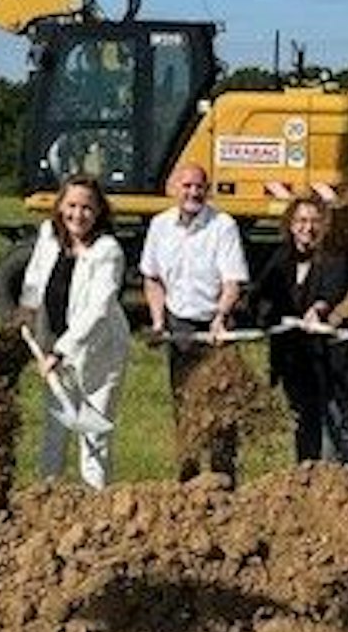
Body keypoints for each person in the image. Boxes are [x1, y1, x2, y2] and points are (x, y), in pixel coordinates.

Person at [17, 175, 131, 488]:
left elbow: (98, 309)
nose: (77, 215)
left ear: (98, 212)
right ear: (60, 207)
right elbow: (36, 275)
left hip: (99, 352)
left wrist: (61, 351)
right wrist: (26, 313)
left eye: (86, 208)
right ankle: (48, 495)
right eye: (71, 206)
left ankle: (95, 506)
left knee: (93, 431)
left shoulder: (108, 251)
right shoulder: (49, 234)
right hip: (53, 342)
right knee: (55, 425)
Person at [139, 161, 249, 477]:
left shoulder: (222, 226)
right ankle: (187, 479)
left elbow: (233, 282)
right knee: (184, 402)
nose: (193, 193)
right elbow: (152, 278)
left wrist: (220, 317)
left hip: (215, 323)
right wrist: (159, 321)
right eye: (186, 186)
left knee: (222, 405)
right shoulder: (160, 226)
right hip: (180, 324)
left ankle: (223, 477)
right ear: (174, 189)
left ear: (207, 190)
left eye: (199, 186)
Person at [255, 193, 348, 465]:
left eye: (314, 221)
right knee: (304, 425)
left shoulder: (335, 257)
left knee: (335, 430)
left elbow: (333, 290)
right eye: (301, 221)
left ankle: (337, 485)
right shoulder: (281, 258)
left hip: (336, 364)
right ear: (291, 225)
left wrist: (319, 310)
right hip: (297, 362)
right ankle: (306, 481)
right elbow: (263, 294)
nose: (308, 228)